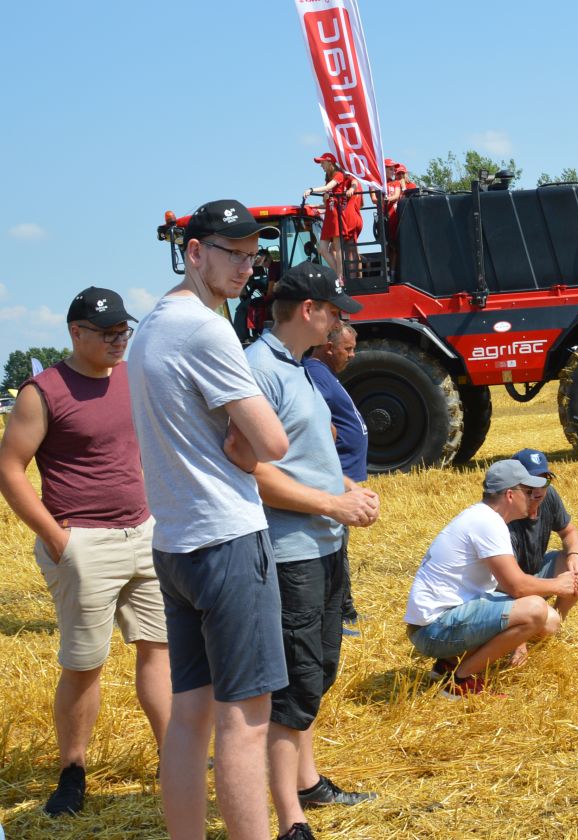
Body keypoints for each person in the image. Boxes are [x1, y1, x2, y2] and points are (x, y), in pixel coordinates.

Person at [128, 199, 291, 839]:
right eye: (233, 253)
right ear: (194, 252)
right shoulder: (206, 328)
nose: (248, 267)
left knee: (189, 717)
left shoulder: (151, 326)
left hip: (174, 543)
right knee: (246, 722)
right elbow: (269, 443)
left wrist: (240, 442)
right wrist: (247, 445)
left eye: (254, 255)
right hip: (226, 539)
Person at [0, 288, 169, 817]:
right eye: (109, 334)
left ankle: (175, 756)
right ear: (76, 333)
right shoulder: (42, 392)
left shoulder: (132, 379)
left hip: (144, 535)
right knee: (84, 665)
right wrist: (57, 539)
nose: (120, 341)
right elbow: (9, 469)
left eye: (125, 332)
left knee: (159, 650)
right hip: (82, 544)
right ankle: (72, 771)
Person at [245, 264, 378, 840]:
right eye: (334, 310)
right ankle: (291, 820)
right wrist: (331, 506)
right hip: (291, 549)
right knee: (294, 684)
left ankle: (308, 783)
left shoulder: (299, 368)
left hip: (322, 543)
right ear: (308, 311)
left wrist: (347, 490)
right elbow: (254, 475)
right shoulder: (258, 370)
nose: (340, 320)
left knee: (317, 671)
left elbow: (306, 456)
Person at [405, 461, 565, 698]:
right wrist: (559, 585)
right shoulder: (488, 522)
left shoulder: (481, 517)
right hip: (433, 630)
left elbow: (503, 586)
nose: (533, 497)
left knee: (546, 618)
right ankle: (460, 681)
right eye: (528, 492)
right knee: (535, 611)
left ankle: (447, 665)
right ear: (510, 495)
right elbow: (517, 586)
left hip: (430, 626)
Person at [305, 321, 368, 632]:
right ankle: (339, 615)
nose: (352, 355)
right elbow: (317, 421)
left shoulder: (325, 374)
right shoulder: (315, 373)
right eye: (348, 349)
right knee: (333, 549)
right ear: (329, 347)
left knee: (340, 547)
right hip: (334, 478)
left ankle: (345, 609)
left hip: (342, 476)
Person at [507, 448, 578, 630]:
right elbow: (511, 584)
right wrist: (518, 644)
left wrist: (574, 554)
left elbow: (569, 531)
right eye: (530, 482)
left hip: (534, 575)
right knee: (547, 623)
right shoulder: (507, 514)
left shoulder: (549, 495)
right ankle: (527, 629)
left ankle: (560, 620)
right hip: (510, 589)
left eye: (545, 480)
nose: (538, 489)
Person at [304, 153, 363, 280]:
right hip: (329, 215)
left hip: (336, 213)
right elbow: (327, 201)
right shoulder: (329, 177)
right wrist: (315, 205)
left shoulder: (339, 175)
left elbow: (328, 188)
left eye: (323, 163)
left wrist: (311, 190)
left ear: (330, 162)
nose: (321, 165)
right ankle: (339, 274)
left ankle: (340, 276)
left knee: (337, 247)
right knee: (322, 248)